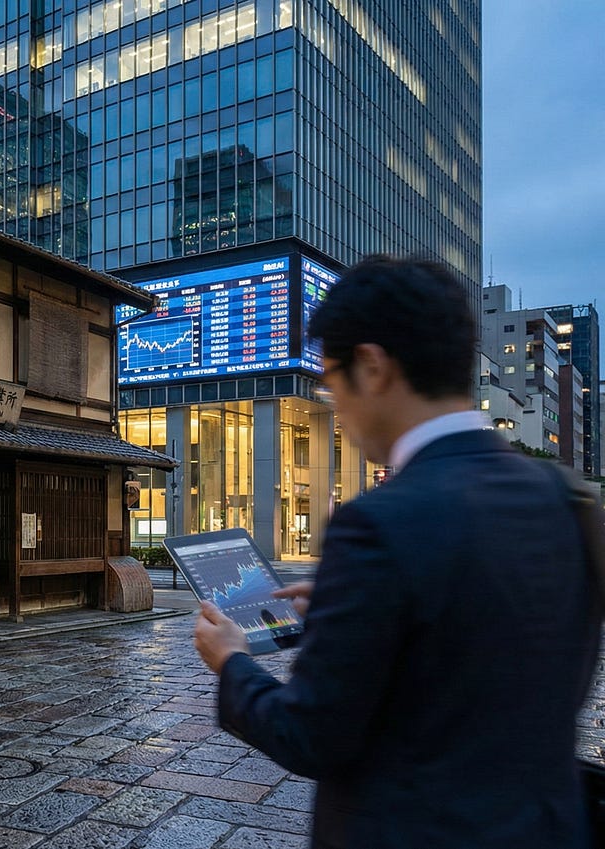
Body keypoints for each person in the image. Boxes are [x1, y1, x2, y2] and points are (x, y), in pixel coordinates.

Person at [193, 254, 600, 848]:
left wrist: (232, 661)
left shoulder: (378, 525)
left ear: (373, 366)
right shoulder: (567, 499)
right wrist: (356, 605)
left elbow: (310, 733)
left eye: (333, 382)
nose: (337, 404)